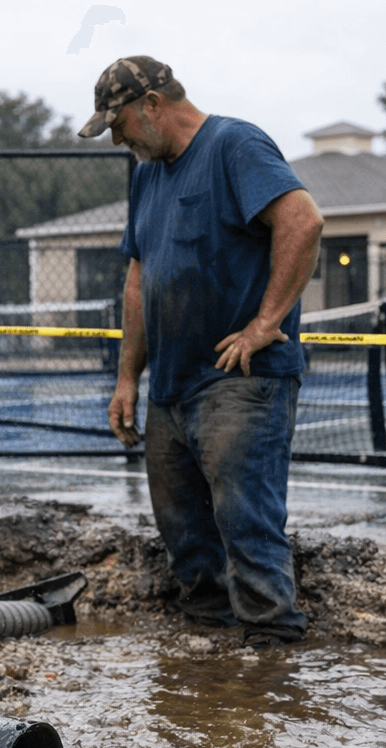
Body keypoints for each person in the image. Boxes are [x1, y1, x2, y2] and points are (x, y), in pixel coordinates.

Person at [81, 56, 324, 648]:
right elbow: (139, 279)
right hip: (170, 383)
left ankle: (272, 660)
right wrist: (126, 379)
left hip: (239, 379)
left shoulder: (233, 145)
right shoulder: (146, 174)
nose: (117, 138)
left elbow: (303, 220)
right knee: (185, 536)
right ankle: (208, 663)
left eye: (119, 123)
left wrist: (264, 324)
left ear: (153, 105)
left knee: (246, 527)